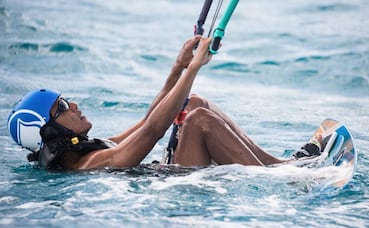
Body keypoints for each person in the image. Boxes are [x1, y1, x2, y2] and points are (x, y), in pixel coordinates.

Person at [7, 36, 322, 171]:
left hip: (170, 173)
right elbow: (153, 131)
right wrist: (196, 68)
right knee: (198, 119)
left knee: (193, 101)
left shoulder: (91, 147)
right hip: (179, 188)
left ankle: (281, 166)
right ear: (50, 134)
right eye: (61, 108)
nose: (73, 105)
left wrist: (179, 66)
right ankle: (288, 181)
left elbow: (146, 122)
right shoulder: (89, 165)